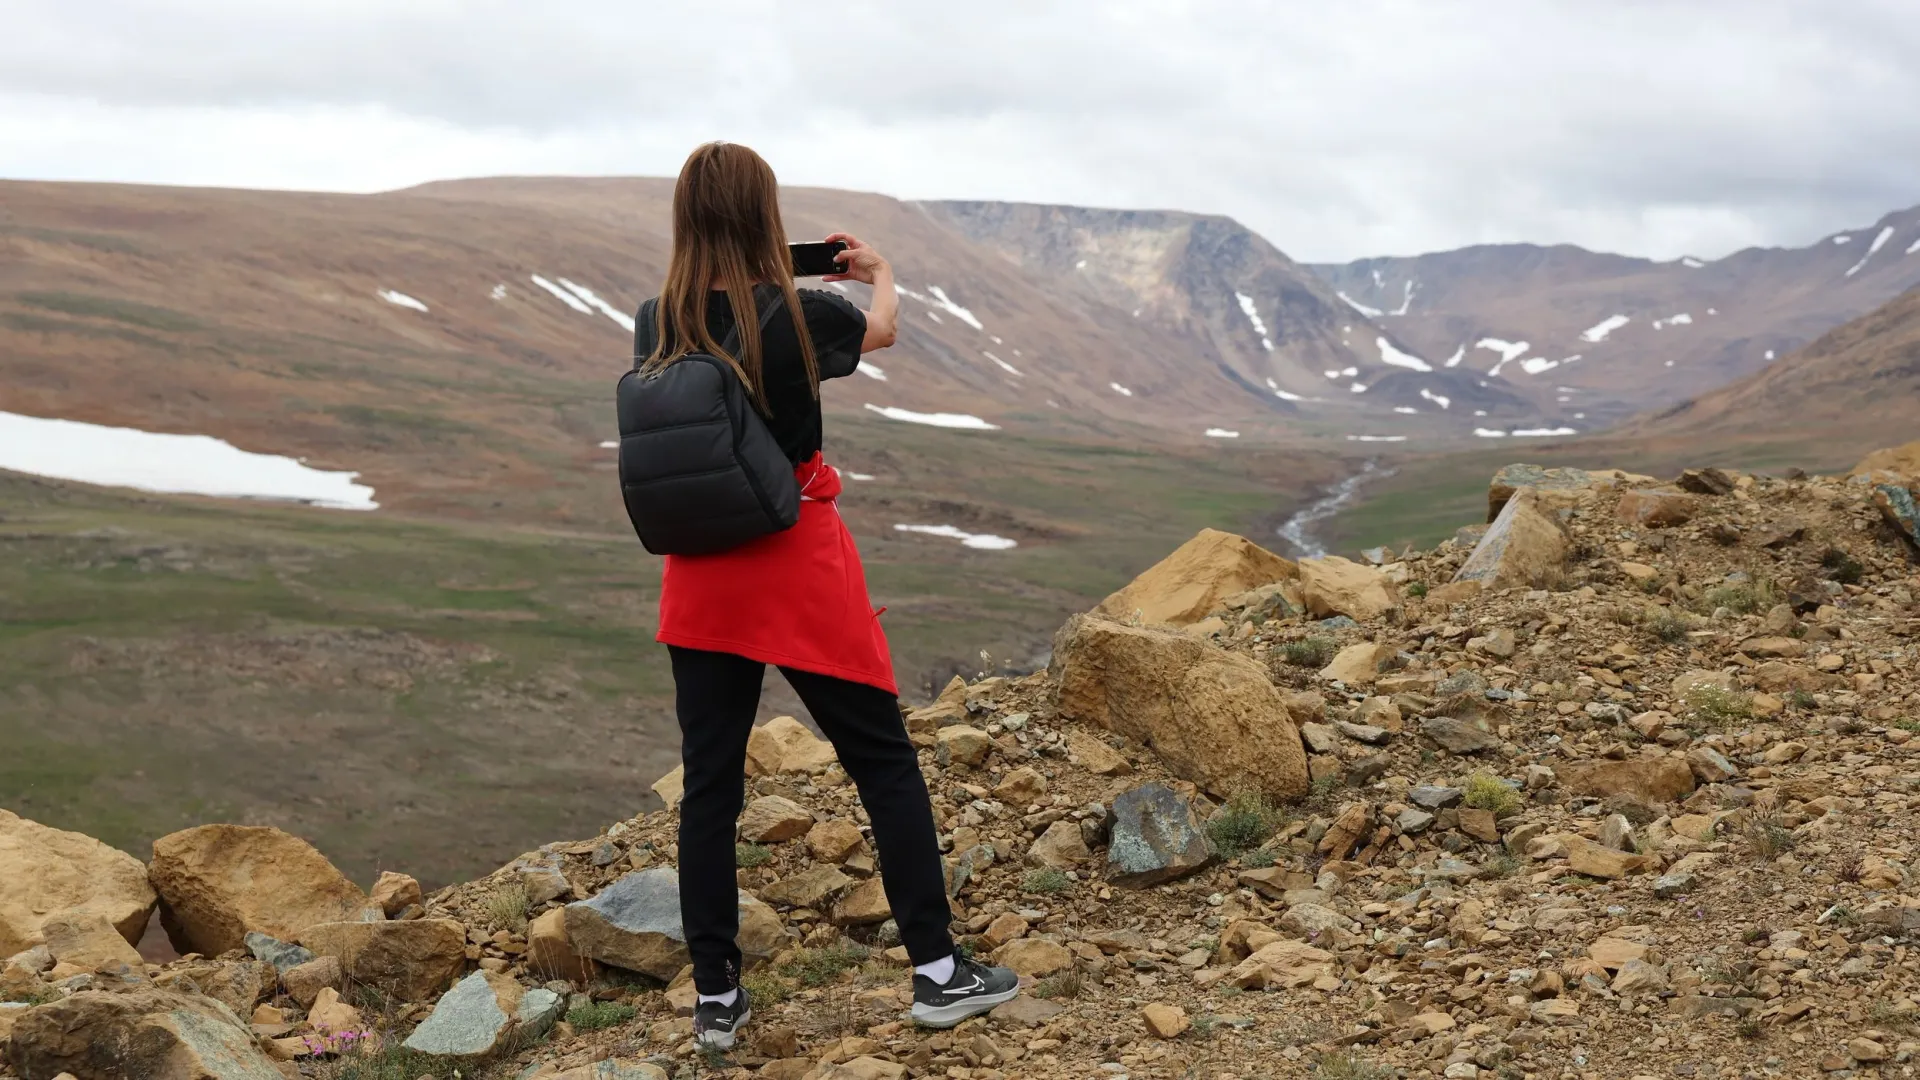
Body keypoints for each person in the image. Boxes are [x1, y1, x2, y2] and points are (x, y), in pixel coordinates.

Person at [632, 142, 1018, 1050]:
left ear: (687, 218)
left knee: (710, 789)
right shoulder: (801, 312)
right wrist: (879, 273)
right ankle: (938, 974)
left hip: (700, 570)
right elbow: (881, 331)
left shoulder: (657, 320)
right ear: (764, 218)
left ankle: (717, 1001)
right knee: (881, 760)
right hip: (794, 557)